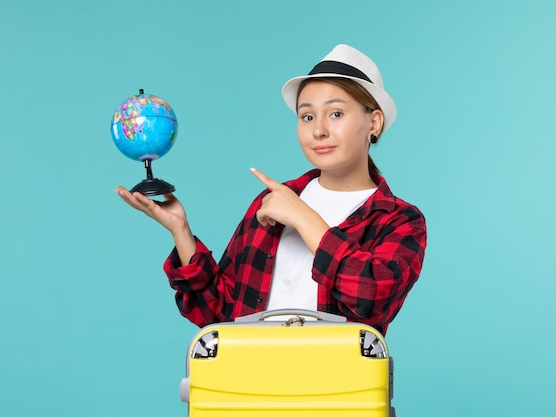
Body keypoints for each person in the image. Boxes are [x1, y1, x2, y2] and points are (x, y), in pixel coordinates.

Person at [116, 44, 427, 335]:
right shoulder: (272, 202)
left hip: (337, 389)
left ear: (373, 123)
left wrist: (304, 218)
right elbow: (222, 315)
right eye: (307, 116)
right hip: (252, 386)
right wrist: (181, 231)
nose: (318, 130)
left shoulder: (400, 221)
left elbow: (371, 300)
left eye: (336, 113)